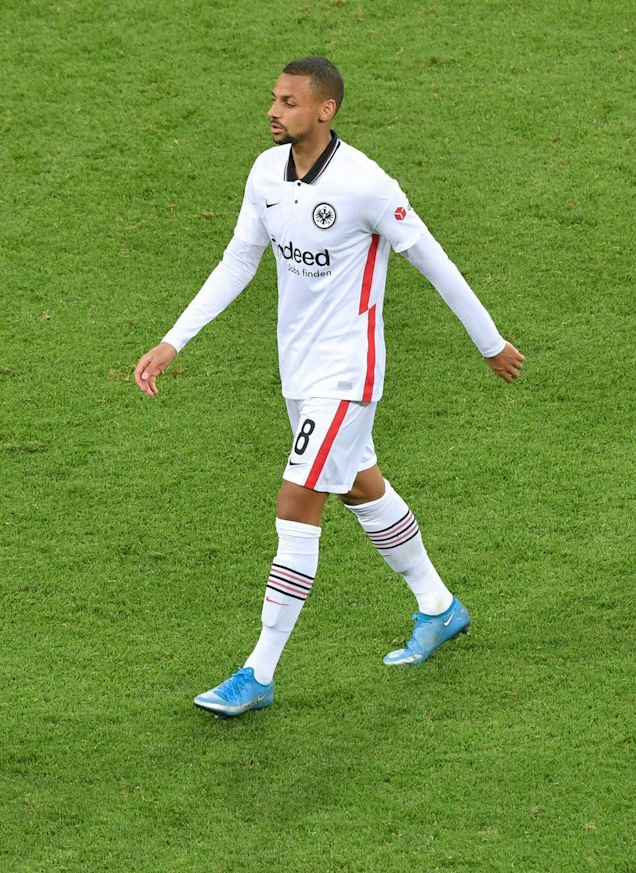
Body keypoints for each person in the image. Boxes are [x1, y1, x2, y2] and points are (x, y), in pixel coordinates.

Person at [135, 57, 525, 716]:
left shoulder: (364, 184)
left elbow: (430, 256)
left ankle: (258, 671)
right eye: (273, 99)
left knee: (297, 499)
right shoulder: (266, 173)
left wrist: (490, 342)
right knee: (355, 482)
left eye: (288, 102)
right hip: (299, 370)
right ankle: (439, 605)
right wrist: (176, 339)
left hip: (348, 372)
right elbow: (239, 260)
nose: (273, 111)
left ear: (325, 110)